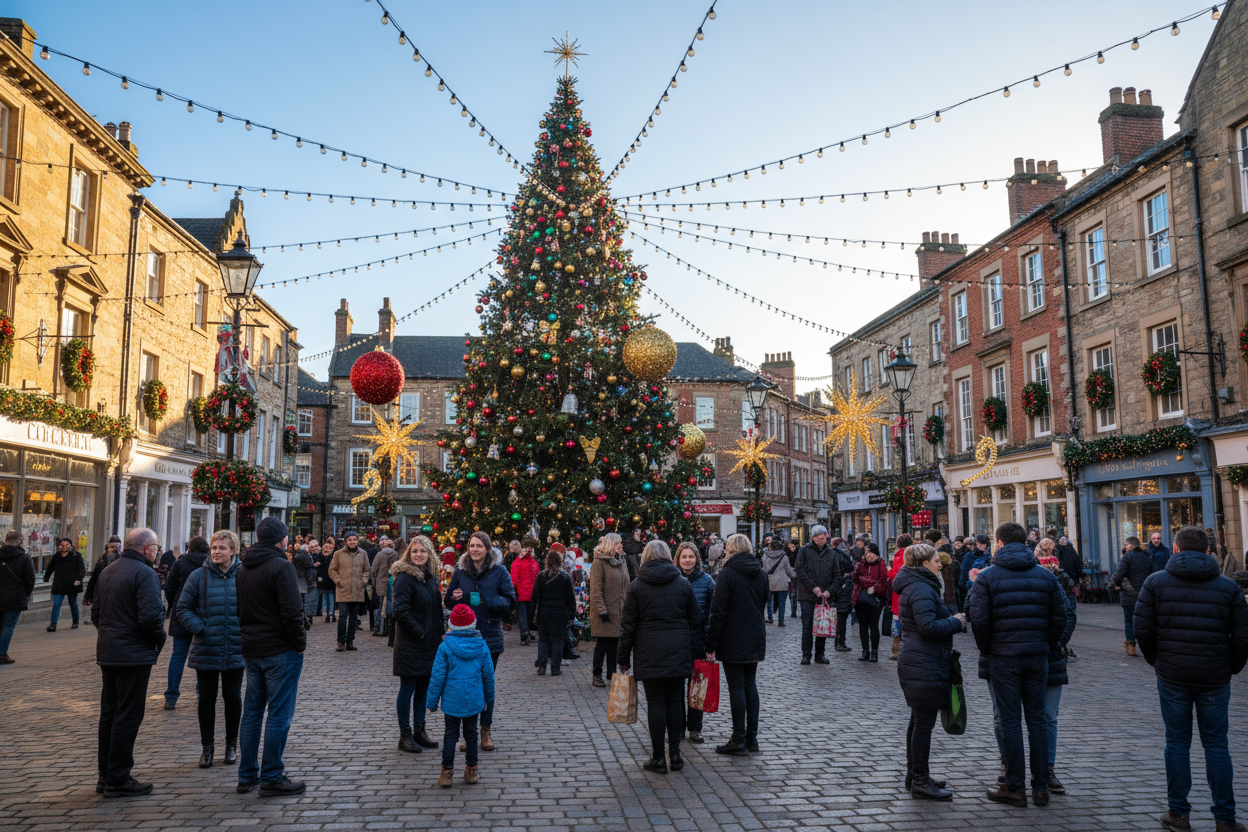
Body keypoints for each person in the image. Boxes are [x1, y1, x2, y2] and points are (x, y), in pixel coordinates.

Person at [1135, 526, 1248, 832]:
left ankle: (1178, 813)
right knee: (1216, 744)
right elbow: (1242, 636)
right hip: (1214, 674)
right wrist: (1232, 667)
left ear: (1175, 549)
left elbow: (1142, 629)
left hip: (1173, 674)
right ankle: (1225, 818)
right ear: (1208, 551)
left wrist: (1157, 660)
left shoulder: (1155, 583)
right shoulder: (1228, 588)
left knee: (1177, 742)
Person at [968, 522, 1067, 808]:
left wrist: (988, 649)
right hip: (1036, 656)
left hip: (1004, 656)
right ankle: (1039, 787)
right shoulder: (1046, 577)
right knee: (1037, 720)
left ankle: (1014, 786)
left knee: (1010, 719)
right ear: (1025, 542)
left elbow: (980, 620)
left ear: (999, 544)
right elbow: (1059, 617)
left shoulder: (987, 578)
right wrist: (1045, 644)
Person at [235, 517, 307, 797]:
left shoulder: (243, 568)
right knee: (279, 713)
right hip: (279, 649)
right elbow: (291, 612)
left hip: (252, 648)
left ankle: (247, 775)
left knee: (252, 713)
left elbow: (240, 609)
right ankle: (272, 776)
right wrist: (299, 644)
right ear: (282, 540)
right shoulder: (281, 566)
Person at [92, 528, 166, 797]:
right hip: (132, 654)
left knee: (110, 714)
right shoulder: (145, 573)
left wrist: (111, 635)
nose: (157, 551)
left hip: (110, 652)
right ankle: (118, 778)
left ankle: (106, 775)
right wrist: (159, 639)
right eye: (156, 547)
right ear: (147, 548)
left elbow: (96, 615)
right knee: (127, 714)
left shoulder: (108, 570)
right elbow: (150, 618)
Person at [618, 540, 700, 774]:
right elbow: (696, 619)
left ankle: (657, 757)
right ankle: (674, 754)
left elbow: (628, 626)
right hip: (677, 651)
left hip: (649, 652)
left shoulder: (637, 586)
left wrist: (622, 658)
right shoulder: (683, 584)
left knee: (655, 704)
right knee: (675, 701)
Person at [894, 542, 966, 801]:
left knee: (918, 721)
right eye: (937, 560)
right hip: (922, 661)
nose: (940, 564)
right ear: (924, 563)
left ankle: (915, 774)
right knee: (923, 724)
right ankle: (920, 781)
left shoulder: (916, 584)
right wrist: (956, 622)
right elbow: (928, 627)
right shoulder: (922, 587)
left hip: (918, 659)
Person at [176, 530, 244, 769]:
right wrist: (201, 628)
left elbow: (254, 607)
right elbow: (182, 608)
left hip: (235, 646)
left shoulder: (244, 575)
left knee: (233, 698)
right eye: (214, 548)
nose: (216, 552)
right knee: (206, 699)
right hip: (206, 646)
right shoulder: (198, 576)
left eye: (222, 548)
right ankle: (207, 747)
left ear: (232, 551)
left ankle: (231, 745)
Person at [444, 531, 515, 753]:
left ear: (487, 549)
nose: (475, 549)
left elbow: (509, 601)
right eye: (472, 546)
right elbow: (447, 601)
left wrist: (487, 599)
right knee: (468, 685)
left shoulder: (499, 571)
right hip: (463, 637)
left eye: (479, 546)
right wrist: (453, 598)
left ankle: (486, 730)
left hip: (489, 635)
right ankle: (470, 734)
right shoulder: (460, 571)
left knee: (486, 685)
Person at [705, 533, 768, 755]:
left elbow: (718, 611)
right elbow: (763, 602)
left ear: (729, 550)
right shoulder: (760, 573)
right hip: (755, 634)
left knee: (737, 687)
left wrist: (710, 642)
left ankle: (738, 739)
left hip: (733, 636)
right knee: (750, 685)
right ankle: (752, 739)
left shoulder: (727, 574)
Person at [427, 603, 495, 787]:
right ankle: (472, 770)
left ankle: (446, 773)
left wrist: (432, 702)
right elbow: (488, 675)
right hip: (474, 700)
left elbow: (437, 676)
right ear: (473, 623)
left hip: (452, 701)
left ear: (452, 625)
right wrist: (489, 697)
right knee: (471, 734)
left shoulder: (445, 646)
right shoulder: (481, 645)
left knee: (450, 734)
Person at [391, 536, 444, 753]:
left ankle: (419, 731)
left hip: (429, 643)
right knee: (407, 689)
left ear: (429, 554)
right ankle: (405, 735)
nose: (418, 555)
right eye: (414, 551)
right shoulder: (404, 577)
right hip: (411, 643)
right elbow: (400, 611)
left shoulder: (430, 578)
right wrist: (420, 632)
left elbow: (434, 609)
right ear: (409, 554)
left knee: (423, 689)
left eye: (423, 551)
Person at [1036, 541, 1077, 796]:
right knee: (1012, 718)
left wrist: (1057, 642)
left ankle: (1047, 768)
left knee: (1049, 717)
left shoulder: (1053, 582)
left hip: (1050, 658)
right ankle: (1013, 768)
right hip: (1018, 659)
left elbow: (1069, 615)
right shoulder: (999, 578)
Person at [162, 536, 209, 709]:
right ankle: (201, 693)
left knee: (178, 655)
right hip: (204, 615)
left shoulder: (181, 563)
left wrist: (176, 604)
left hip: (182, 614)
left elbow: (169, 588)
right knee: (202, 657)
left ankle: (171, 695)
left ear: (190, 548)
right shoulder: (210, 563)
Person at [675, 541, 714, 743]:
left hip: (698, 641)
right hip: (677, 642)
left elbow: (711, 614)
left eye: (691, 556)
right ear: (678, 559)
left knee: (697, 686)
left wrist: (710, 644)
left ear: (697, 558)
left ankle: (695, 728)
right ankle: (678, 727)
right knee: (676, 688)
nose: (687, 560)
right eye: (684, 557)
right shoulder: (672, 580)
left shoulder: (707, 581)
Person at [794, 525, 839, 665]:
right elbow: (800, 570)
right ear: (813, 538)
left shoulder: (831, 553)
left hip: (824, 596)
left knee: (822, 625)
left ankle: (820, 654)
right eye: (819, 538)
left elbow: (837, 575)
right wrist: (813, 587)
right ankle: (806, 654)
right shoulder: (804, 550)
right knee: (807, 626)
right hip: (807, 595)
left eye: (824, 538)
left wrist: (829, 590)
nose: (822, 540)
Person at [589, 532, 629, 688]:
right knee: (603, 643)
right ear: (609, 544)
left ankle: (612, 673)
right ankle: (596, 674)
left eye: (621, 543)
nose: (621, 545)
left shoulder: (621, 562)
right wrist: (601, 609)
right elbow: (596, 589)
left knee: (616, 644)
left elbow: (626, 586)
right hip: (605, 611)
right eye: (617, 543)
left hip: (619, 610)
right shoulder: (599, 563)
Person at [531, 549, 575, 676]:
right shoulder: (565, 576)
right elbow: (570, 597)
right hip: (560, 612)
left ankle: (542, 665)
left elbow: (534, 597)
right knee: (558, 641)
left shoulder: (541, 576)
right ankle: (555, 668)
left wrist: (531, 615)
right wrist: (572, 614)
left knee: (543, 639)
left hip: (544, 612)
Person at [1111, 536, 1154, 657]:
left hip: (1129, 593)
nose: (1124, 547)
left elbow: (1119, 574)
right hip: (1145, 594)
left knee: (1129, 620)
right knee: (1144, 620)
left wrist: (1115, 584)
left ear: (1130, 545)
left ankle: (1131, 645)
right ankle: (1147, 644)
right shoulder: (1146, 557)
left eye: (1125, 544)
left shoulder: (1127, 557)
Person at [329, 532, 369, 652]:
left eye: (354, 540)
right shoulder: (338, 554)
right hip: (343, 590)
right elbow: (332, 570)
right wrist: (338, 581)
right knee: (342, 616)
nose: (352, 542)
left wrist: (364, 581)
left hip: (357, 590)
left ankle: (350, 641)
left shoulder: (363, 554)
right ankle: (340, 641)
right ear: (346, 541)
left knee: (353, 618)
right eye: (350, 540)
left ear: (358, 541)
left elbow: (367, 569)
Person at [0, 530, 35, 665]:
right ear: (20, 541)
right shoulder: (24, 558)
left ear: (5, 540)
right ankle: (2, 654)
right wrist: (25, 594)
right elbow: (30, 580)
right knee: (8, 626)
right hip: (15, 598)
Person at [852, 541, 891, 662]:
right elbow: (855, 578)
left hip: (875, 599)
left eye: (870, 552)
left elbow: (883, 581)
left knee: (873, 625)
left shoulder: (881, 564)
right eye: (866, 552)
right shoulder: (861, 564)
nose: (868, 555)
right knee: (863, 626)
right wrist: (862, 566)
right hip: (861, 598)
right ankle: (865, 651)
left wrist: (873, 586)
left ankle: (874, 652)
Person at [44, 537, 85, 632]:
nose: (64, 547)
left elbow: (81, 569)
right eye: (62, 545)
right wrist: (46, 577)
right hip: (59, 584)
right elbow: (50, 568)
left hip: (72, 584)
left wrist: (79, 579)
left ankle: (75, 621)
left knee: (73, 603)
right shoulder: (56, 557)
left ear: (70, 545)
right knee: (56, 604)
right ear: (59, 546)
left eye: (67, 545)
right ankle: (53, 624)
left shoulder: (76, 555)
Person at [887, 535, 914, 661]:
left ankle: (898, 651)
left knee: (898, 625)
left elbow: (895, 575)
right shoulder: (916, 553)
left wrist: (889, 573)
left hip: (899, 595)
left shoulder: (900, 555)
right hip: (913, 593)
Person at [510, 536, 540, 646]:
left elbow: (514, 578)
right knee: (528, 615)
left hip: (523, 594)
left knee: (523, 615)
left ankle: (525, 633)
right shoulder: (533, 563)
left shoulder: (518, 563)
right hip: (528, 593)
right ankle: (525, 633)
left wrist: (513, 590)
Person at [369, 540, 401, 637]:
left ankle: (379, 628)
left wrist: (374, 582)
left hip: (381, 583)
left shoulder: (379, 554)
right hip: (392, 583)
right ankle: (389, 628)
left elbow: (373, 570)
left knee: (380, 606)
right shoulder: (396, 554)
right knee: (390, 605)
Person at [761, 537, 795, 626]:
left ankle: (770, 618)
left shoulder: (765, 556)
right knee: (782, 603)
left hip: (769, 582)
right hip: (782, 583)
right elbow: (789, 570)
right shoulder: (784, 557)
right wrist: (794, 576)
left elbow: (763, 570)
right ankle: (781, 621)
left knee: (769, 602)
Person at [84, 536, 123, 610]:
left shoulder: (124, 559)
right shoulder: (102, 559)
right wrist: (88, 595)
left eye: (117, 547)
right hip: (103, 591)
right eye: (112, 547)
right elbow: (95, 577)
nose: (114, 549)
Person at [315, 535, 336, 622]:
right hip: (322, 579)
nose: (327, 547)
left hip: (331, 579)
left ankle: (331, 612)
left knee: (330, 595)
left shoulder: (334, 556)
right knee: (325, 595)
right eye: (326, 545)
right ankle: (327, 612)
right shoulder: (319, 556)